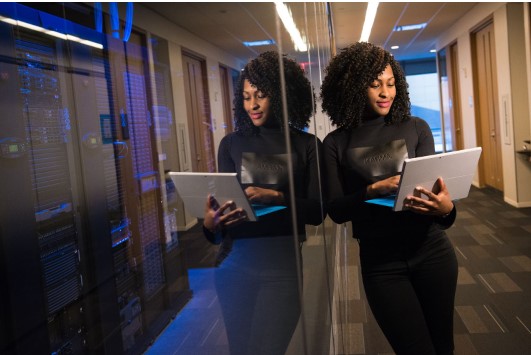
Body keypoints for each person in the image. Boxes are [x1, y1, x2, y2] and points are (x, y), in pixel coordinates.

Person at [320, 42, 458, 355]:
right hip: (382, 265)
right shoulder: (335, 143)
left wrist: (447, 209)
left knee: (443, 347)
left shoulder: (416, 128)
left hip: (433, 253)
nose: (386, 92)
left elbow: (437, 201)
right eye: (375, 85)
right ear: (353, 88)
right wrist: (371, 191)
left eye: (391, 83)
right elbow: (337, 210)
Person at [202, 50, 324, 354]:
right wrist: (210, 225)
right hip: (233, 263)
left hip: (281, 268)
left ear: (283, 95)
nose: (252, 105)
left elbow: (319, 211)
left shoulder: (307, 145)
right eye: (245, 97)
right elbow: (221, 220)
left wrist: (278, 197)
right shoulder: (230, 144)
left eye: (260, 95)